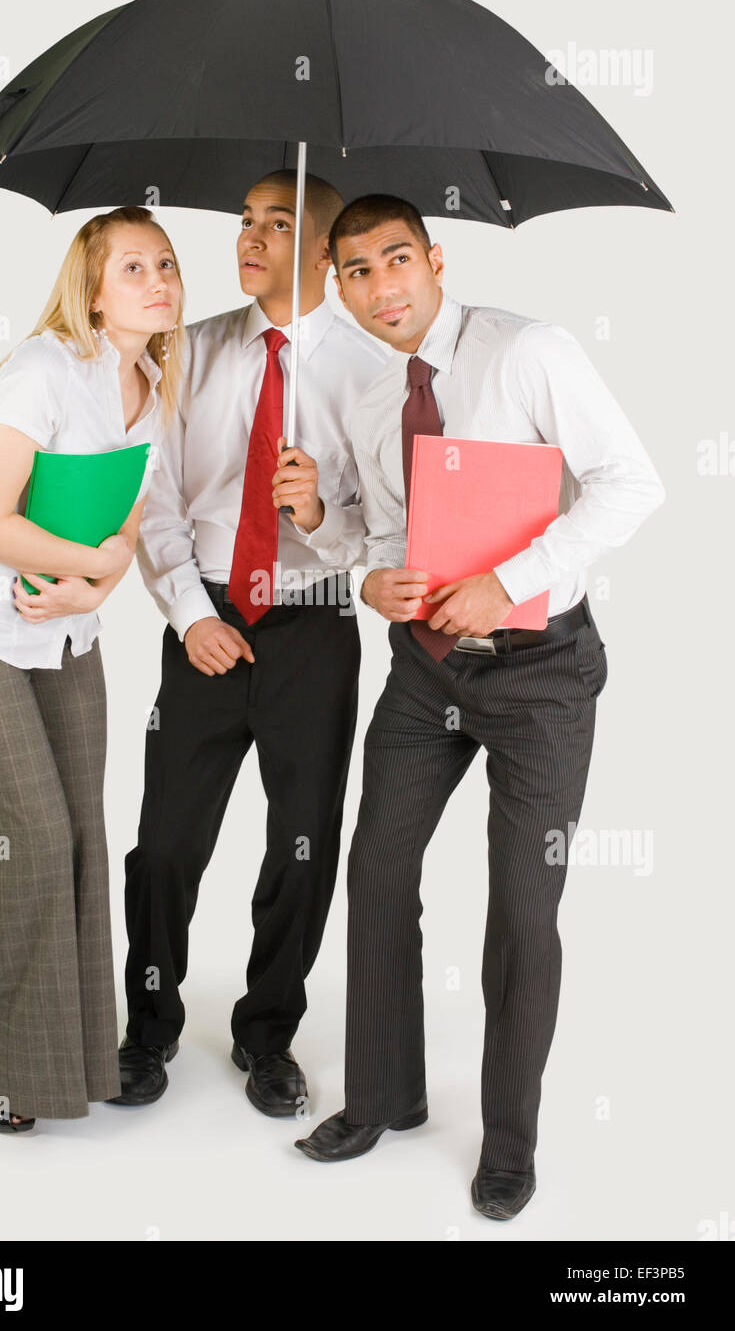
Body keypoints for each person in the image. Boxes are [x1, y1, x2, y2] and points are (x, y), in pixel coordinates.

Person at [294, 194, 666, 1219]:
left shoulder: (526, 351)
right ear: (338, 287)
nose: (382, 286)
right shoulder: (370, 401)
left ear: (434, 257)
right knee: (373, 871)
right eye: (356, 271)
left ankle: (508, 1143)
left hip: (538, 671)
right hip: (422, 672)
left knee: (520, 908)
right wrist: (349, 555)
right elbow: (379, 539)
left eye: (395, 258)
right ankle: (380, 1097)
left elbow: (629, 483)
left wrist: (512, 577)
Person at [109, 171, 388, 1116]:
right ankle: (146, 1030)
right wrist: (191, 616)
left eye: (279, 222)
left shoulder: (368, 367)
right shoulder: (185, 353)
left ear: (321, 251)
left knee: (303, 845)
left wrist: (321, 511)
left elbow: (383, 532)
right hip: (208, 613)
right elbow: (151, 502)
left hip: (314, 621)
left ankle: (267, 1034)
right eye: (244, 219)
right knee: (162, 844)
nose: (250, 236)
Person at [0, 205, 185, 1132]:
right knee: (24, 844)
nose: (158, 282)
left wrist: (93, 588)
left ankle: (71, 1057)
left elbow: (123, 528)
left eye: (166, 264)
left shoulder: (153, 384)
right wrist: (96, 572)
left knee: (80, 840)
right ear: (93, 289)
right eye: (133, 269)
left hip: (64, 632)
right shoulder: (40, 371)